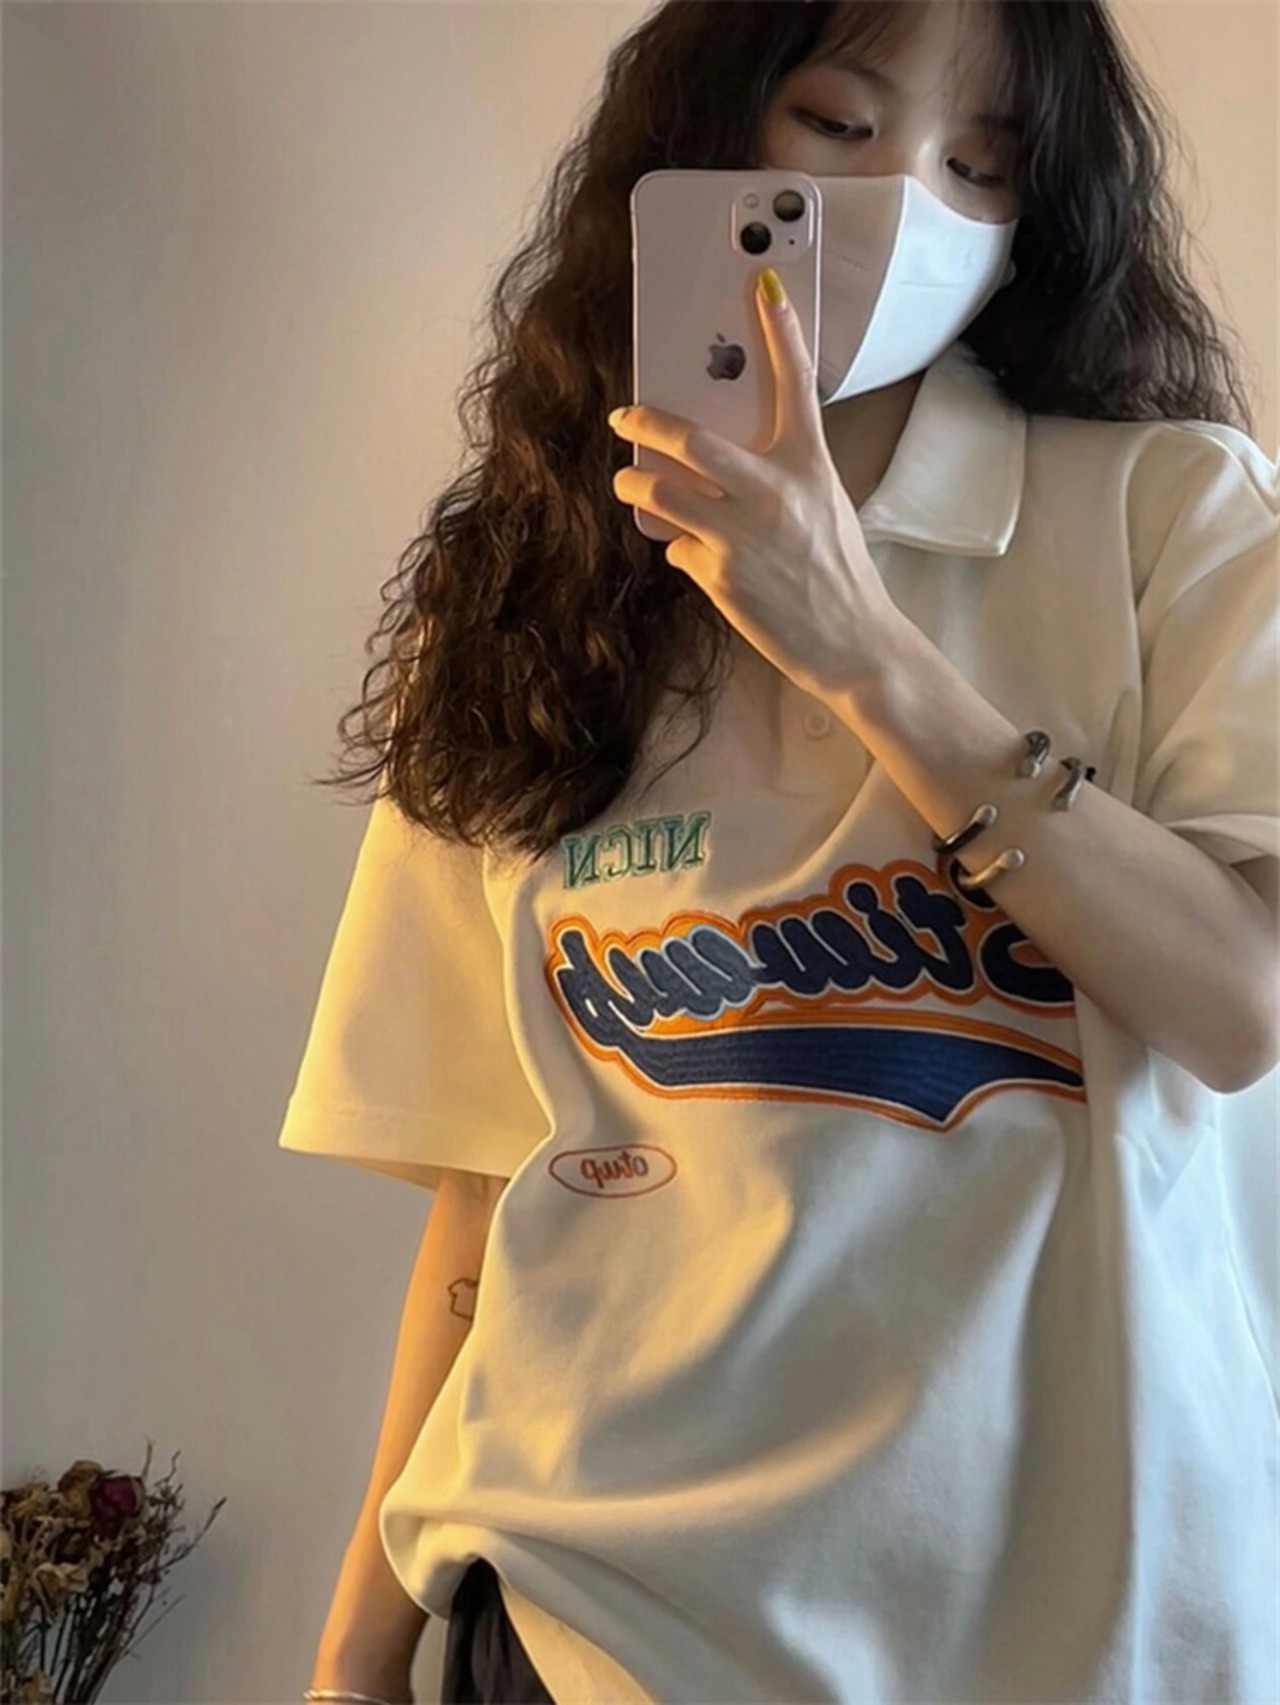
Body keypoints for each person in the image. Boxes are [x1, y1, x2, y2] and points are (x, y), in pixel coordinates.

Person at [282, 3, 1280, 1703]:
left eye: (985, 165)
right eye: (836, 122)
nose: (910, 202)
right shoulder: (524, 596)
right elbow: (489, 1188)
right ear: (705, 132)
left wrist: (862, 644)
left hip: (1068, 1634)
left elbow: (1241, 1001)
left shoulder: (1175, 517)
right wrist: (349, 1665)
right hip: (582, 1619)